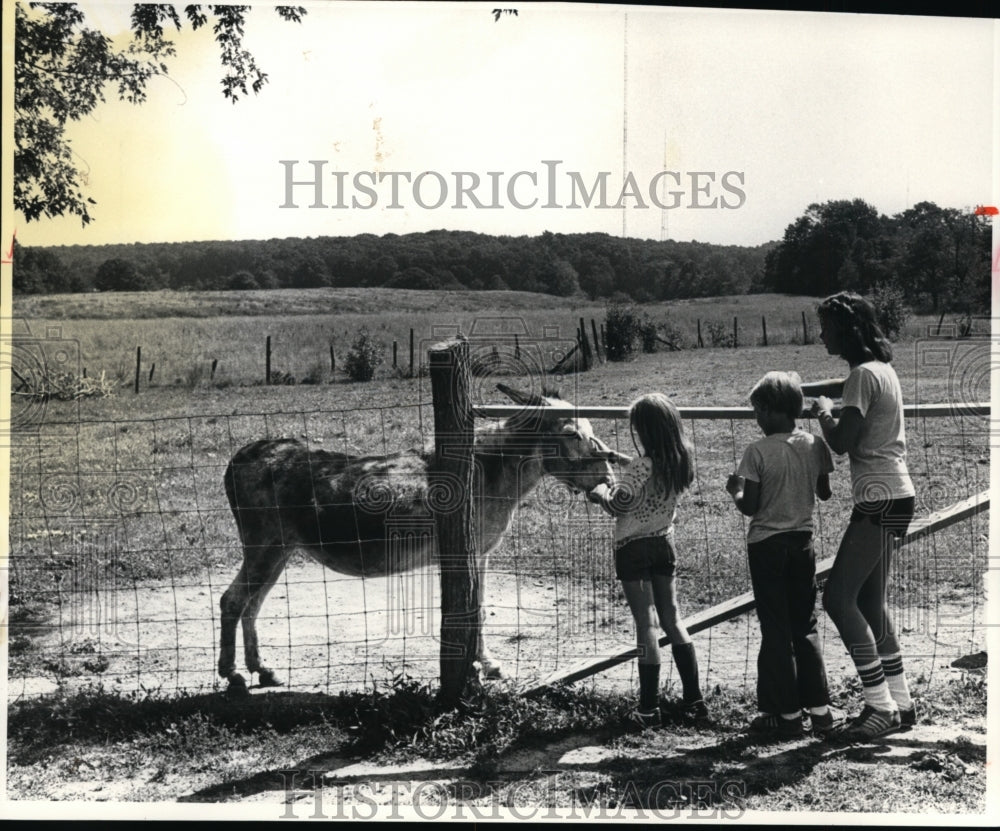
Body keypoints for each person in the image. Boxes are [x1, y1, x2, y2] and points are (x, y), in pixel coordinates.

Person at [802, 292, 917, 741]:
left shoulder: (861, 378)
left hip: (878, 499)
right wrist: (807, 391)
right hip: (897, 494)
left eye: (827, 326)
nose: (821, 334)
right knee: (870, 602)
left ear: (847, 330)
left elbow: (843, 441)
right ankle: (901, 703)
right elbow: (843, 386)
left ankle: (879, 707)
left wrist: (824, 416)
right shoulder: (878, 371)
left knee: (837, 599)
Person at [726, 371, 840, 739]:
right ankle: (820, 711)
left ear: (773, 410)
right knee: (805, 624)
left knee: (775, 629)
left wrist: (736, 491)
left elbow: (751, 507)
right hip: (802, 542)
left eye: (758, 410)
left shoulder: (757, 451)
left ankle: (787, 714)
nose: (756, 418)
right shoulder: (814, 443)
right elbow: (824, 492)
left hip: (767, 546)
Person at [587, 393, 707, 729]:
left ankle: (648, 707)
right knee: (672, 620)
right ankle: (694, 700)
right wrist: (615, 456)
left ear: (643, 430)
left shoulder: (641, 468)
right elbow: (650, 471)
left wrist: (599, 491)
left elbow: (618, 505)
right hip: (663, 546)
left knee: (646, 626)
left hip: (632, 549)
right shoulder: (680, 462)